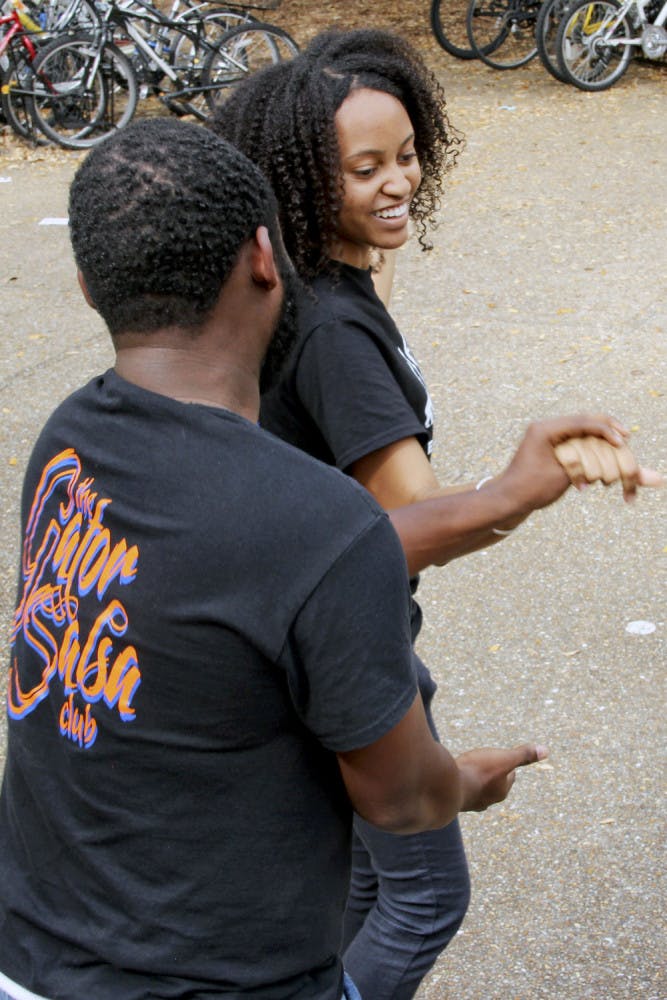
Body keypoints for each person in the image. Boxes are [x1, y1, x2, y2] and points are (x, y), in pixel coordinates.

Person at [0, 118, 562, 1000]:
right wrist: (465, 781)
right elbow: (404, 800)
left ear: (84, 285)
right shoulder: (318, 523)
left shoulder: (67, 441)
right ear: (266, 257)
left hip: (30, 959)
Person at [210, 29, 663, 1000]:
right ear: (298, 179)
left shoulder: (295, 289)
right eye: (363, 167)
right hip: (347, 651)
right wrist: (534, 478)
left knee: (366, 882)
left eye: (407, 155)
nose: (396, 183)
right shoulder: (334, 332)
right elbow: (411, 515)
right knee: (423, 896)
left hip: (296, 642)